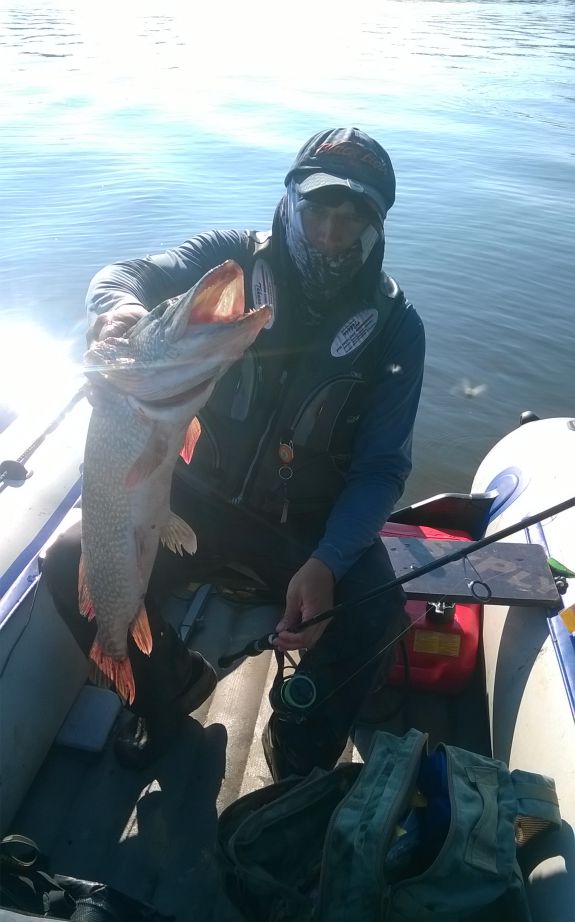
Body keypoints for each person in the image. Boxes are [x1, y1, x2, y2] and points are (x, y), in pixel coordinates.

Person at [43, 126, 425, 778]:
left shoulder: (396, 329)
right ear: (290, 200)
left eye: (352, 216)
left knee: (375, 611)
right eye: (317, 209)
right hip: (189, 498)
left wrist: (328, 560)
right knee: (68, 560)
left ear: (376, 224)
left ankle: (299, 744)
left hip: (301, 529)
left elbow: (381, 467)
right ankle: (168, 693)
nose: (330, 234)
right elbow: (125, 275)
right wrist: (116, 312)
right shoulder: (231, 257)